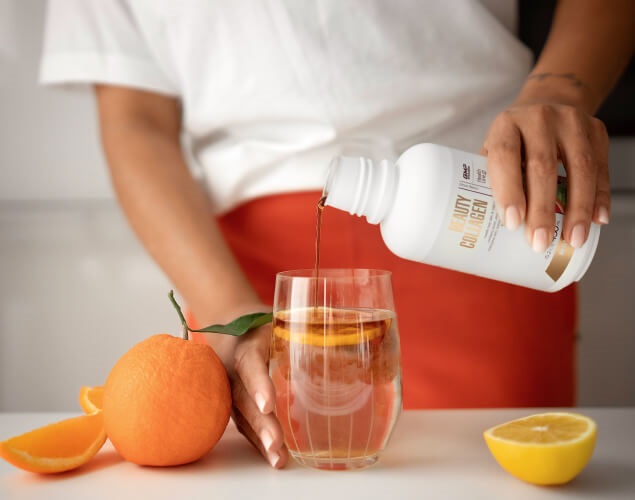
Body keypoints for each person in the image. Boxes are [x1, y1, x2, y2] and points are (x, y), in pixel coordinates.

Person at [40, 0, 634, 468]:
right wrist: (226, 309)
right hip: (237, 274)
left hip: (480, 215)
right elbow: (134, 122)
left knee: (496, 477)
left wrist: (558, 91)